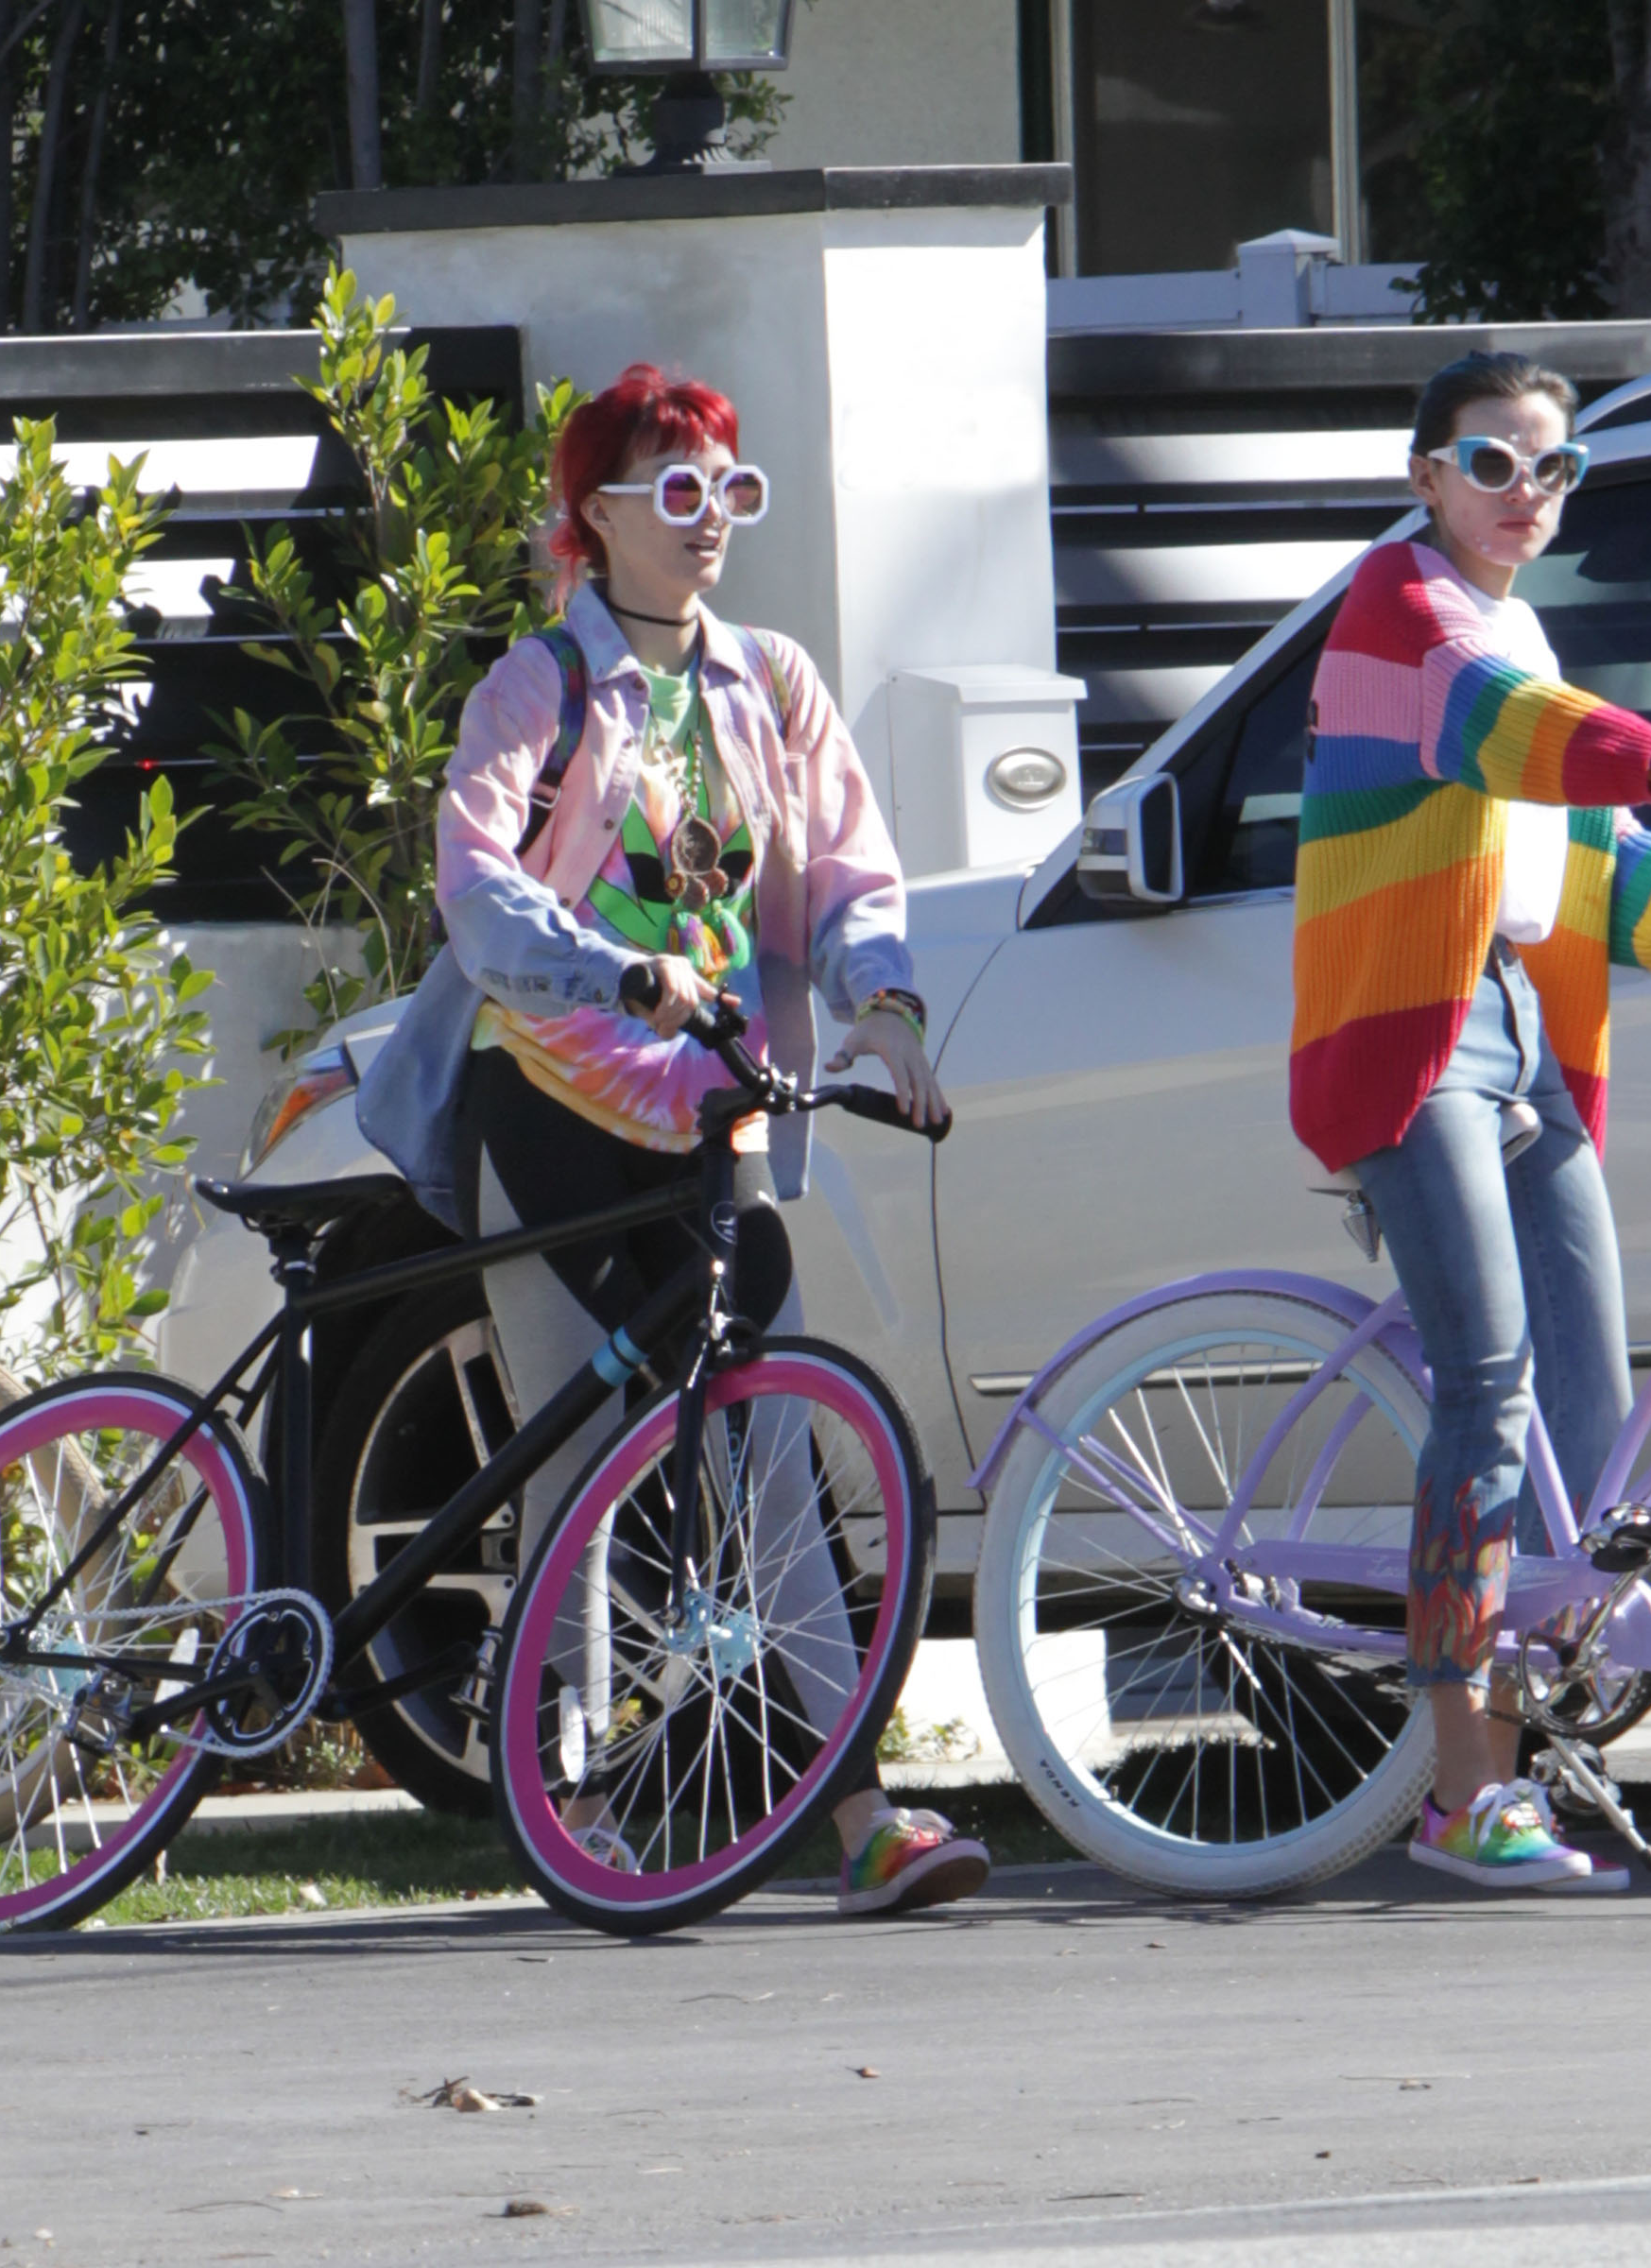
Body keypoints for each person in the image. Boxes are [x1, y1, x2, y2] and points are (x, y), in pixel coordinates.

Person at [359, 363, 987, 1917]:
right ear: (598, 515)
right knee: (577, 1464)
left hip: (712, 1114)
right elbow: (478, 888)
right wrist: (613, 970)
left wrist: (885, 1007)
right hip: (549, 1106)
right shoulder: (538, 688)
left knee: (772, 1449)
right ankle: (578, 1802)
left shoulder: (771, 681)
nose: (713, 520)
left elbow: (850, 871)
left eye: (731, 489)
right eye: (681, 490)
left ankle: (864, 1824)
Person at [1291, 351, 1651, 1894]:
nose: (1525, 491)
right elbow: (1515, 732)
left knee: (1588, 1409)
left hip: (1523, 1026)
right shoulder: (1402, 611)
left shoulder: (1520, 627)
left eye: (1553, 468)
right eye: (1491, 461)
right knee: (1487, 1392)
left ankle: (1528, 1753)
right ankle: (1460, 1791)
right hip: (1414, 1032)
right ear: (1425, 476)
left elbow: (1598, 864)